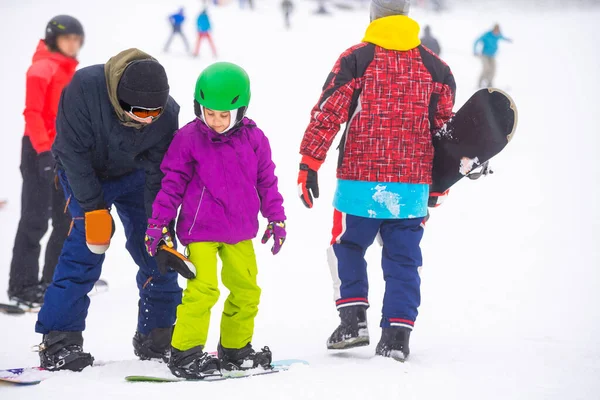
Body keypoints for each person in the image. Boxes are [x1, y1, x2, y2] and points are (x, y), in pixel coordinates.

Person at [298, 0, 455, 361]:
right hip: (411, 186)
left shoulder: (356, 58)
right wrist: (440, 183)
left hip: (359, 181)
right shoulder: (437, 68)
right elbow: (445, 132)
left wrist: (310, 162)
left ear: (373, 16)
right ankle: (397, 336)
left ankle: (353, 320)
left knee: (347, 245)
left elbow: (328, 112)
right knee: (403, 259)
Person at [34, 48, 182, 372]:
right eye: (139, 112)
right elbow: (72, 153)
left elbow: (160, 170)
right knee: (86, 250)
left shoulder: (167, 113)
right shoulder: (83, 89)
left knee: (156, 250)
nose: (147, 120)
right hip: (84, 173)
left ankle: (157, 335)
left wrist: (159, 223)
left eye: (153, 114)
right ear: (120, 98)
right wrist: (94, 209)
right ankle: (60, 340)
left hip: (135, 176)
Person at [145, 62, 286, 378]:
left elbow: (267, 180)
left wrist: (276, 218)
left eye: (225, 115)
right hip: (201, 231)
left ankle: (235, 350)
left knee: (247, 291)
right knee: (203, 290)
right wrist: (158, 223)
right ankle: (185, 353)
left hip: (240, 231)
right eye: (210, 113)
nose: (217, 121)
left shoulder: (254, 138)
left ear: (240, 110)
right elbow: (172, 183)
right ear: (199, 106)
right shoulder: (189, 138)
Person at [8, 15, 84, 308]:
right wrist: (43, 152)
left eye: (77, 40)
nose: (73, 45)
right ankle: (22, 286)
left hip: (61, 151)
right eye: (68, 39)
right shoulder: (42, 68)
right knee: (35, 219)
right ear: (54, 39)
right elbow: (33, 114)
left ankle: (53, 280)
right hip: (39, 151)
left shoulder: (69, 70)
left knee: (65, 219)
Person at [474, 24, 512, 88]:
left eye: (498, 31)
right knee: (486, 68)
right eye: (496, 30)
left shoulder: (498, 35)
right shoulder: (487, 35)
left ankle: (489, 83)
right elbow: (477, 41)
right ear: (493, 29)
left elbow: (502, 37)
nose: (497, 32)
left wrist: (508, 39)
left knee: (493, 70)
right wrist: (475, 50)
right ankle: (479, 83)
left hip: (492, 55)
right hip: (485, 55)